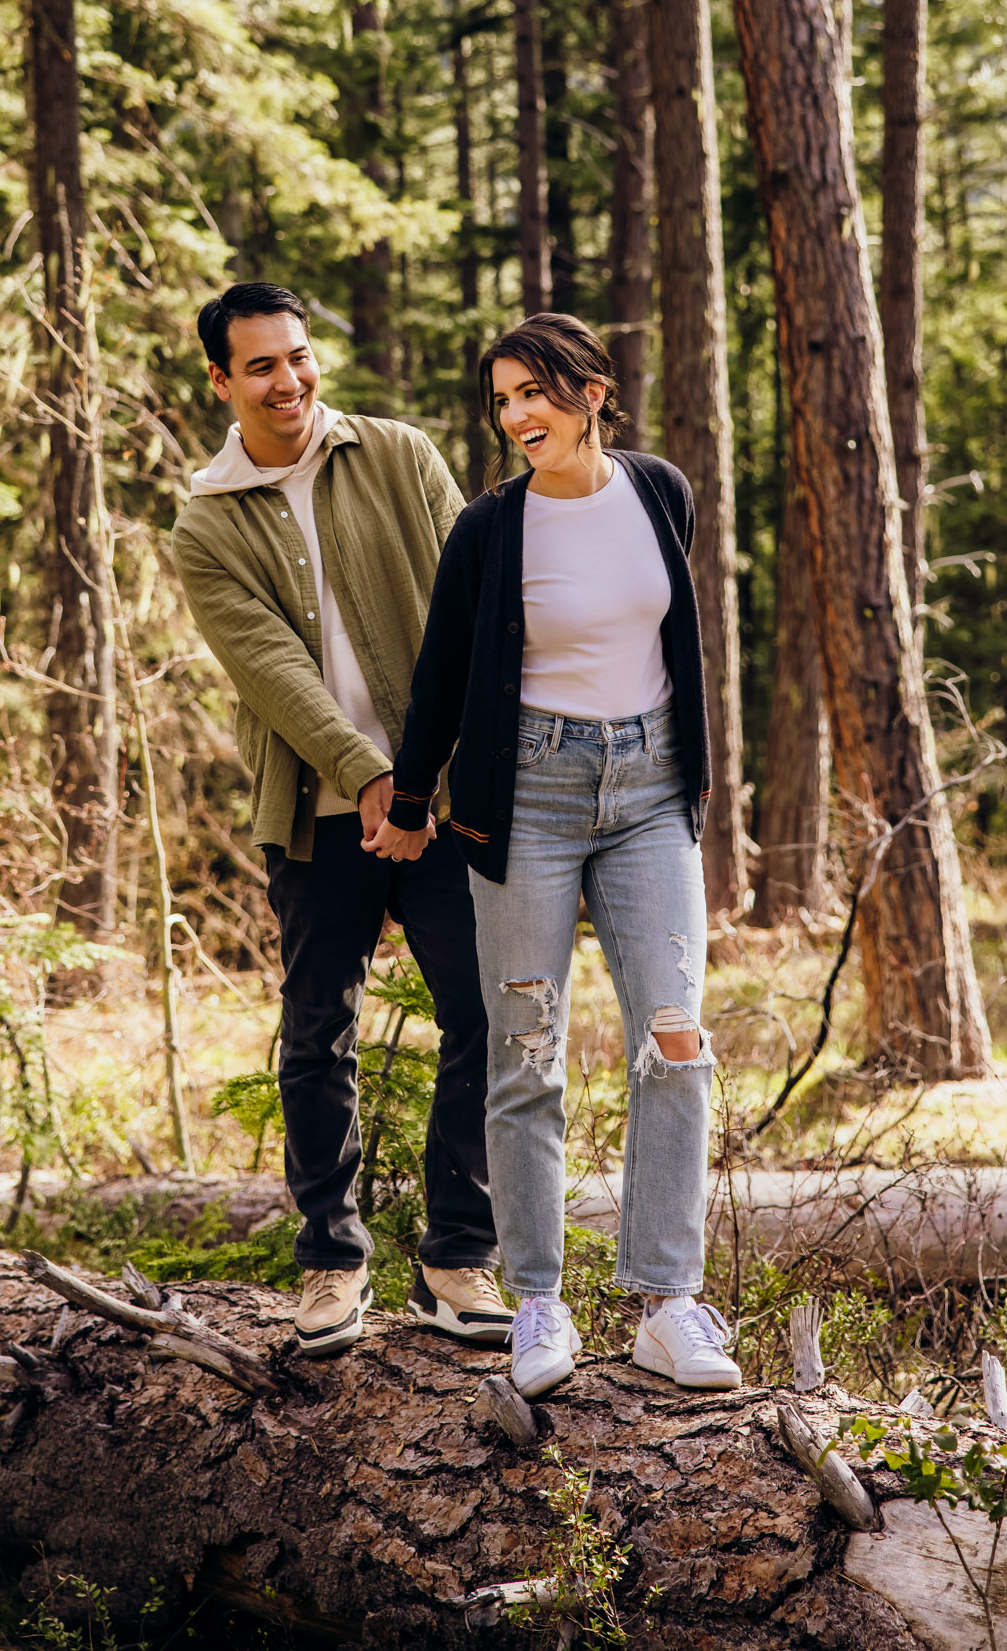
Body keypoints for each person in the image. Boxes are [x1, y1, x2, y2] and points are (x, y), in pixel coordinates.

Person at [386, 312, 739, 1399]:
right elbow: (444, 669)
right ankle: (537, 1299)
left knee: (675, 1040)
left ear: (590, 391)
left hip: (646, 794)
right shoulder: (491, 528)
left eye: (531, 391)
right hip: (524, 797)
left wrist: (693, 785)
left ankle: (666, 1304)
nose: (514, 415)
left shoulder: (658, 491)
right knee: (526, 1047)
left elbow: (675, 642)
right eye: (500, 399)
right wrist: (408, 798)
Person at [171, 281, 511, 1359]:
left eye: (300, 356)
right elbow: (269, 666)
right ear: (220, 380)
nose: (290, 381)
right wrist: (374, 780)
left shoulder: (401, 454)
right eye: (261, 365)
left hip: (446, 804)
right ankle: (331, 1260)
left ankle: (458, 1260)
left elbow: (476, 597)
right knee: (317, 1032)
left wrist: (424, 784)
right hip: (318, 817)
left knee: (488, 1014)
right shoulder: (206, 519)